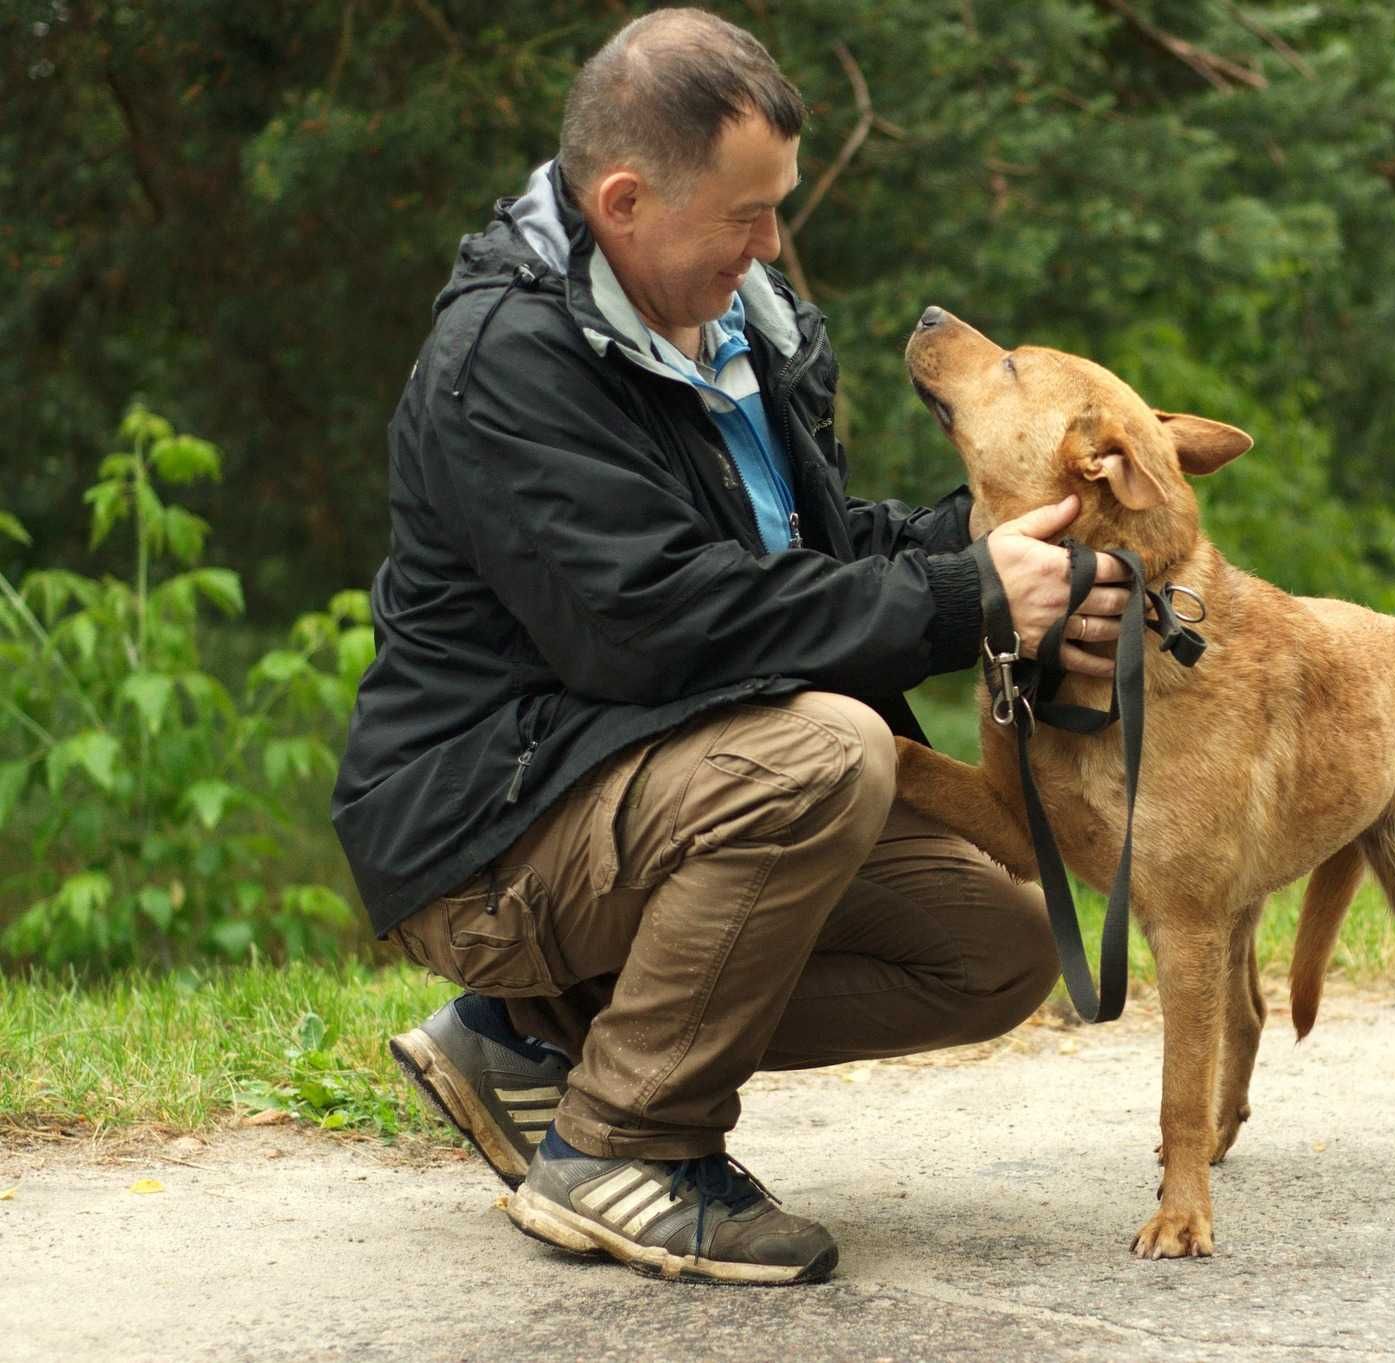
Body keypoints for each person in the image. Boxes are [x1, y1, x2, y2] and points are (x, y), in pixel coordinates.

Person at [331, 8, 1131, 1286]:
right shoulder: (509, 365)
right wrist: (957, 598)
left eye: (778, 207)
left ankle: (534, 1038)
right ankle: (626, 1146)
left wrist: (1012, 553)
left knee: (1001, 947)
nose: (770, 246)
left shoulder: (738, 316)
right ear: (625, 200)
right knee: (823, 752)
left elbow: (804, 547)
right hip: (485, 830)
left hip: (640, 780)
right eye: (744, 216)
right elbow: (660, 624)